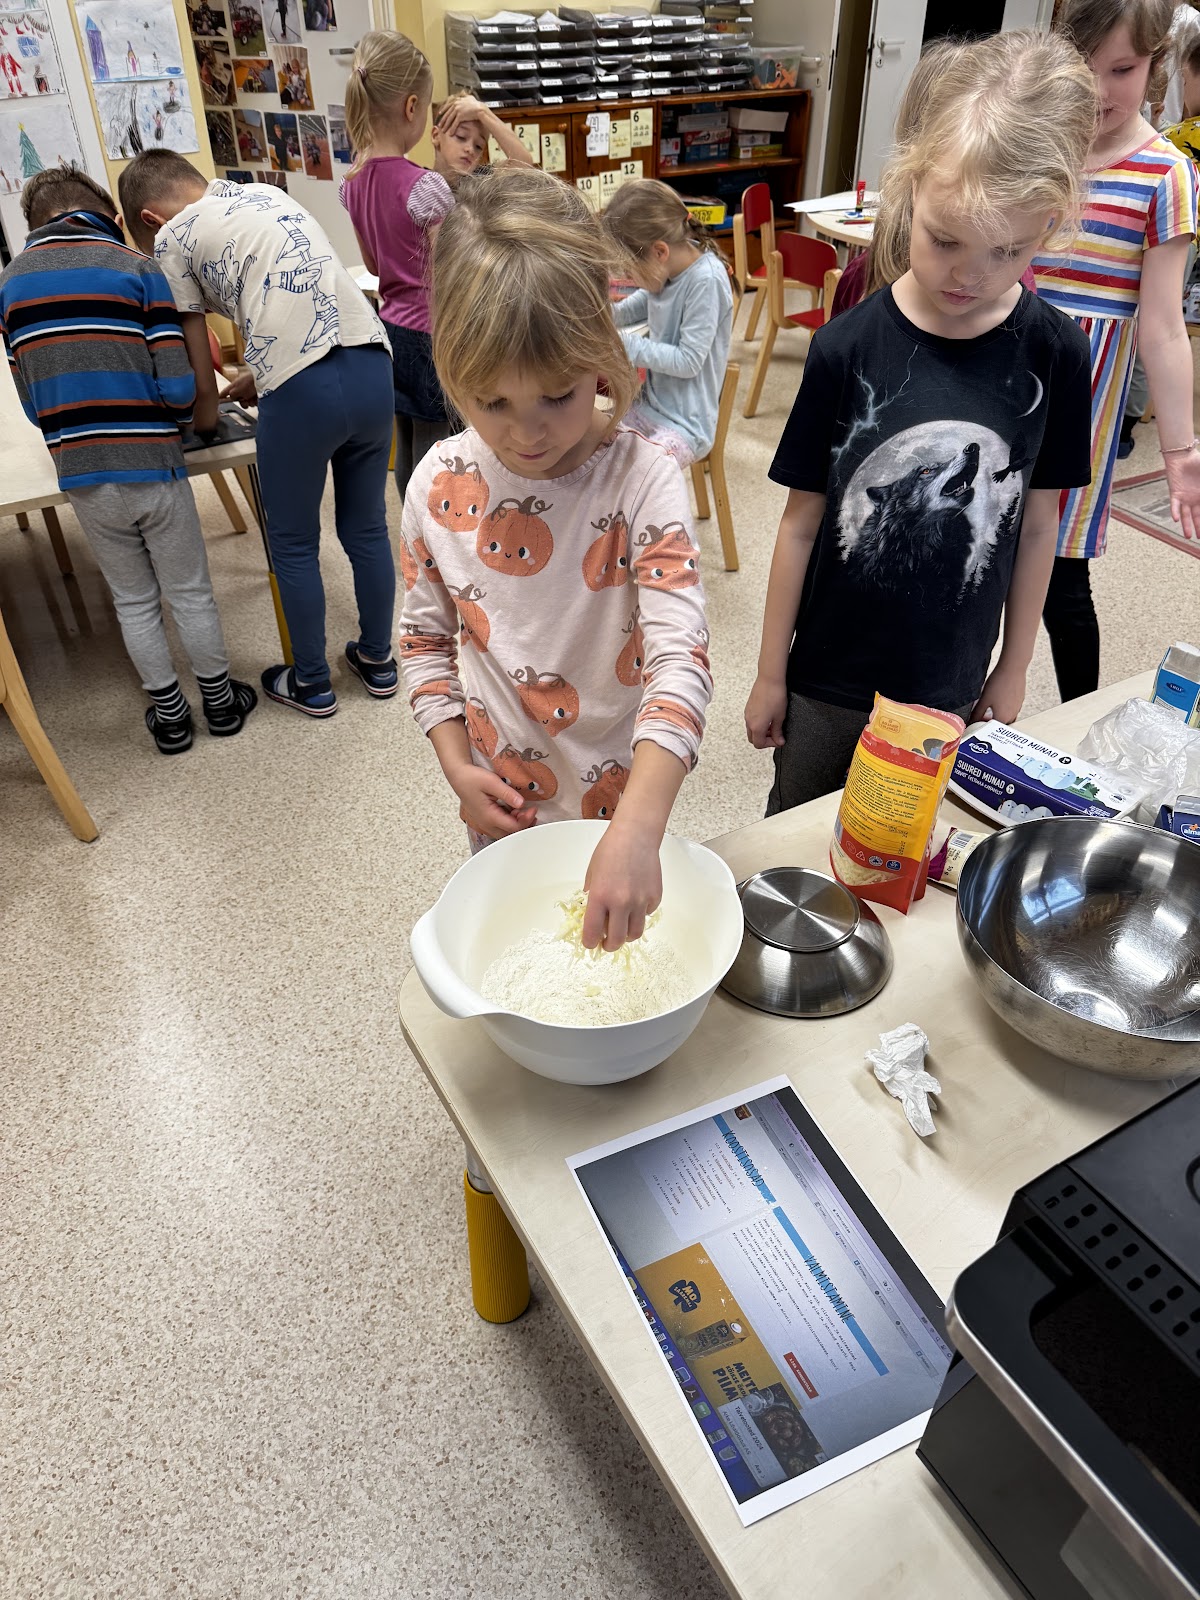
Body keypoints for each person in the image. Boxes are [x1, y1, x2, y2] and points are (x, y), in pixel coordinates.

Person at [744, 31, 1097, 812]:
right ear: (909, 192)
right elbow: (801, 525)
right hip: (827, 678)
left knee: (907, 841)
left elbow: (1039, 526)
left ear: (1048, 227)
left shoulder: (1058, 356)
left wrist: (1013, 666)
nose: (969, 274)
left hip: (949, 684)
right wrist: (770, 672)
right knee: (797, 830)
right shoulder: (844, 348)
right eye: (945, 240)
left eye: (1007, 251)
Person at [400, 165, 713, 953]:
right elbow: (425, 642)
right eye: (492, 402)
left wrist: (639, 828)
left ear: (601, 355)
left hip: (625, 808)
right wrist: (455, 766)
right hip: (504, 807)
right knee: (525, 955)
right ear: (453, 371)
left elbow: (681, 661)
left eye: (558, 395)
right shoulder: (438, 486)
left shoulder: (644, 480)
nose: (528, 433)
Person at [119, 149, 397, 717]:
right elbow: (303, 300)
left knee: (293, 543)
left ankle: (312, 683)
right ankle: (379, 661)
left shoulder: (171, 237)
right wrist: (260, 373)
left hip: (303, 392)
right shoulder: (264, 193)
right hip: (372, 364)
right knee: (367, 526)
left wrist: (202, 422)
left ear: (150, 219)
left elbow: (199, 363)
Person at [0, 166, 256, 753]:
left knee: (133, 598)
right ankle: (220, 704)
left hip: (83, 471)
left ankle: (170, 718)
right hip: (153, 462)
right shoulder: (138, 268)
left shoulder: (9, 286)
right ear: (106, 216)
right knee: (189, 590)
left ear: (34, 223)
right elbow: (177, 387)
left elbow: (33, 406)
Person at [1036, 0, 1200, 704]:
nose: (1100, 91)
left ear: (1154, 65)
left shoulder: (1166, 174)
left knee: (1060, 581)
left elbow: (1163, 327)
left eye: (1123, 70)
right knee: (972, 562)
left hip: (1080, 411)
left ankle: (1079, 720)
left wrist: (1180, 452)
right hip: (997, 384)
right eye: (1084, 69)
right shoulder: (1036, 143)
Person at [340, 31, 454, 508]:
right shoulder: (426, 186)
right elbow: (448, 274)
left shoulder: (353, 182)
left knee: (405, 432)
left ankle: (409, 516)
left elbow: (372, 264)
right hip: (431, 332)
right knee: (438, 443)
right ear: (411, 107)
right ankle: (432, 526)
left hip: (387, 328)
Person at [601, 179, 733, 467]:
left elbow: (688, 361)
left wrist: (623, 343)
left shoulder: (706, 281)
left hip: (686, 425)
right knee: (593, 443)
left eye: (630, 271)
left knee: (644, 474)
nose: (630, 279)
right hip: (649, 407)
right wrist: (598, 316)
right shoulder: (667, 272)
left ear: (659, 252)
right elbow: (633, 308)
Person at [429, 90, 534, 183]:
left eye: (478, 146)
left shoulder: (482, 182)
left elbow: (524, 165)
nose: (470, 149)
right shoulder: (421, 182)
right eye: (461, 137)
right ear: (436, 135)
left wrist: (482, 111)